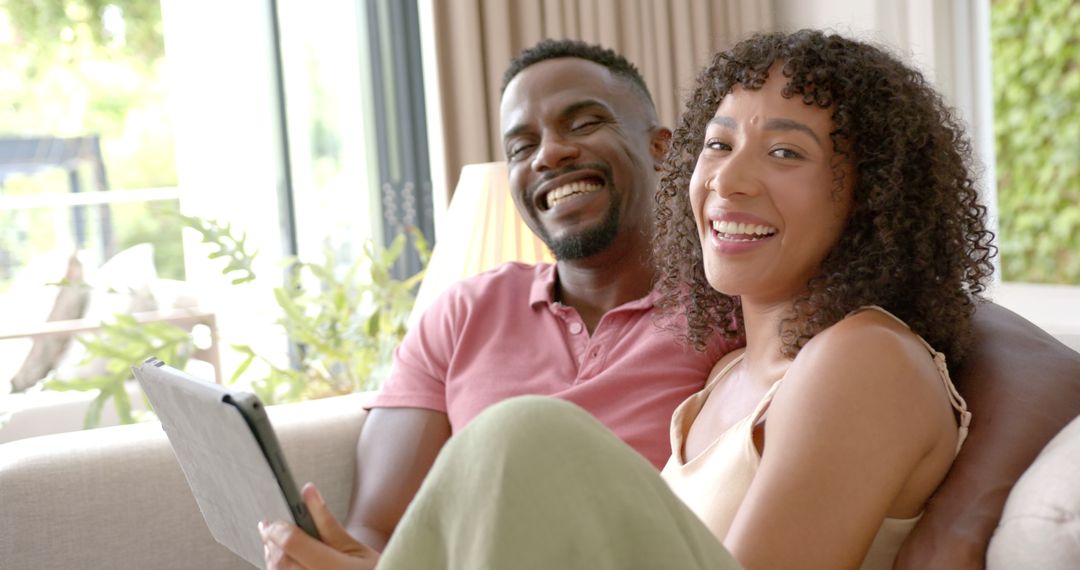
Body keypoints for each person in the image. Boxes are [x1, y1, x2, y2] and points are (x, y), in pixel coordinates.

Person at [261, 34, 1080, 569]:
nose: (729, 179)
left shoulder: (864, 357)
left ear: (872, 197)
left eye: (785, 152)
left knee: (523, 433)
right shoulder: (720, 381)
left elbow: (1027, 350)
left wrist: (961, 528)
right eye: (718, 144)